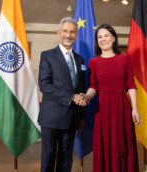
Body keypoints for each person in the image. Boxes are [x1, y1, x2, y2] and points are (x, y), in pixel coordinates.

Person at [82, 24, 141, 172]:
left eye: (106, 35)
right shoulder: (93, 62)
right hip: (103, 109)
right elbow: (94, 86)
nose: (103, 39)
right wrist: (87, 96)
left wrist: (135, 109)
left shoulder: (125, 58)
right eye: (99, 37)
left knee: (123, 143)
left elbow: (131, 85)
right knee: (105, 144)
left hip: (122, 106)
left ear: (114, 38)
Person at [38, 17, 86, 172]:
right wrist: (71, 97)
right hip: (51, 118)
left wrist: (81, 116)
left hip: (71, 118)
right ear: (59, 32)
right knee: (48, 158)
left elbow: (81, 88)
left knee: (66, 159)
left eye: (72, 32)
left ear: (76, 35)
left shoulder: (80, 60)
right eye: (65, 31)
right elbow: (44, 85)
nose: (68, 35)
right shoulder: (47, 56)